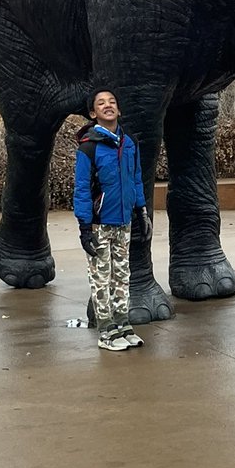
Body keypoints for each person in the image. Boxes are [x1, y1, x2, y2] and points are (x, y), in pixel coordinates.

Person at [74, 88, 152, 351]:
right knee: (101, 277)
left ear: (118, 109)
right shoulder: (89, 148)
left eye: (112, 102)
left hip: (124, 222)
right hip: (99, 223)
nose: (108, 106)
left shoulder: (129, 142)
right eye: (101, 103)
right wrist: (84, 227)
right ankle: (106, 331)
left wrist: (141, 212)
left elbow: (136, 178)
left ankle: (122, 324)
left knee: (122, 275)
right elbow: (81, 189)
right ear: (93, 113)